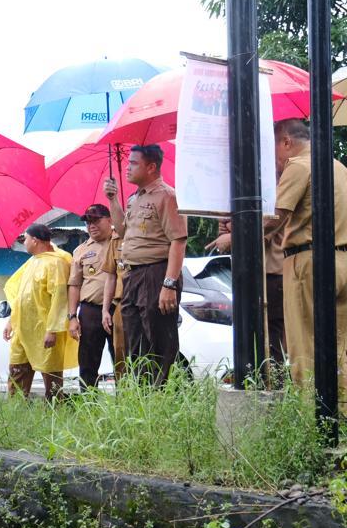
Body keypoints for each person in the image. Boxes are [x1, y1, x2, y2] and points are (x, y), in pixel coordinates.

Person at [269, 118, 347, 407]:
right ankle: (341, 417)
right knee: (340, 347)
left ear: (287, 142)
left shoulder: (299, 165)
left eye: (275, 148)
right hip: (342, 261)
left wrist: (236, 235)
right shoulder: (337, 167)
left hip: (308, 262)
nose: (275, 159)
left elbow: (275, 218)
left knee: (304, 347)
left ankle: (312, 425)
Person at [104, 144, 187, 384]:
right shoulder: (134, 199)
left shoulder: (167, 196)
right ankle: (143, 391)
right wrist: (113, 200)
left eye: (133, 163)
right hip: (132, 274)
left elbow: (178, 240)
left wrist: (169, 284)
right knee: (135, 336)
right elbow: (122, 230)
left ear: (151, 167)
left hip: (156, 272)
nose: (128, 168)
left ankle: (160, 394)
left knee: (158, 336)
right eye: (127, 163)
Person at [206, 214, 286, 383]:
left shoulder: (275, 192)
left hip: (271, 273)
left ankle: (275, 392)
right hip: (250, 274)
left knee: (271, 339)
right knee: (251, 338)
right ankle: (255, 385)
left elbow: (267, 224)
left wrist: (233, 232)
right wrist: (227, 227)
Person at [2, 224, 77, 400]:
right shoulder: (32, 261)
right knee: (17, 370)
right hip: (23, 329)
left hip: (44, 329)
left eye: (25, 239)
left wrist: (52, 330)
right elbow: (21, 296)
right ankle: (16, 413)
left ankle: (55, 413)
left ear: (35, 240)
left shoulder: (56, 263)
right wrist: (11, 321)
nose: (24, 242)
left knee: (50, 376)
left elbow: (59, 299)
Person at [66, 204, 125, 390]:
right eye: (88, 222)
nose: (91, 225)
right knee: (88, 360)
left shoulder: (123, 241)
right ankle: (89, 402)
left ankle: (126, 401)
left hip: (119, 308)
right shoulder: (80, 251)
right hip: (91, 310)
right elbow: (74, 285)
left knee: (122, 357)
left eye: (96, 220)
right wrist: (72, 317)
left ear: (110, 220)